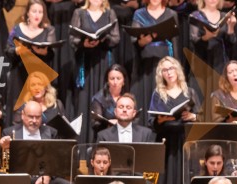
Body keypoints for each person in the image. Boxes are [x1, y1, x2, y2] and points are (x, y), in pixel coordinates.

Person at [0, 101, 73, 184]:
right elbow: (0, 164)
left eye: (37, 117)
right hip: (20, 180)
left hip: (44, 178)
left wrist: (49, 175)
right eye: (30, 116)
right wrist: (3, 149)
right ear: (22, 115)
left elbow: (56, 160)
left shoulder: (51, 132)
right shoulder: (9, 132)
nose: (34, 120)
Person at [149, 56, 200, 184]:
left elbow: (199, 117)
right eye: (164, 70)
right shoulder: (158, 93)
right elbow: (151, 122)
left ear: (177, 70)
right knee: (166, 180)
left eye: (171, 68)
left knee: (184, 179)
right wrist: (161, 119)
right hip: (166, 142)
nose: (169, 72)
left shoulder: (189, 92)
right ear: (160, 74)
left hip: (184, 141)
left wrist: (193, 116)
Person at [69, 0, 121, 144]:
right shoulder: (79, 12)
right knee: (84, 101)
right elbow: (72, 38)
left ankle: (102, 145)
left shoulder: (110, 13)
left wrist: (104, 39)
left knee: (103, 99)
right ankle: (82, 148)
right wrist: (83, 43)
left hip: (104, 61)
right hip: (85, 64)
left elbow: (116, 38)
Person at [4, 0, 57, 128]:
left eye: (40, 11)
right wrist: (17, 50)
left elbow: (51, 53)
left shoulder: (48, 30)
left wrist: (42, 52)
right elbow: (8, 50)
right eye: (34, 11)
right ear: (27, 13)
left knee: (39, 107)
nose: (37, 15)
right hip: (19, 75)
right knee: (18, 108)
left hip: (38, 75)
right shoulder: (17, 29)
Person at [131, 0, 179, 127]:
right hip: (146, 64)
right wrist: (144, 41)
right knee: (146, 96)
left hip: (165, 64)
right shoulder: (139, 13)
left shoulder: (171, 14)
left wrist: (176, 68)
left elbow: (175, 42)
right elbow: (134, 40)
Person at [190, 0, 237, 93]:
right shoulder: (196, 15)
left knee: (220, 96)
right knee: (201, 96)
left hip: (220, 62)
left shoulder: (224, 15)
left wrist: (231, 27)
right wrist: (208, 35)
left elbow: (231, 43)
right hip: (202, 60)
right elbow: (194, 40)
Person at [90, 65, 130, 138]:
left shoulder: (128, 97)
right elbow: (95, 124)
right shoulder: (99, 98)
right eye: (112, 78)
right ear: (107, 81)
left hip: (125, 136)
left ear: (123, 81)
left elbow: (135, 119)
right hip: (105, 137)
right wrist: (108, 124)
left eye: (118, 78)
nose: (115, 82)